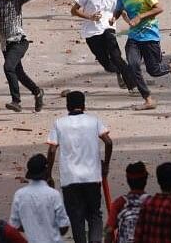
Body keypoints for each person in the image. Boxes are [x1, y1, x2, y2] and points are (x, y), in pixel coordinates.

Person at [46, 91, 113, 243]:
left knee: (76, 217)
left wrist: (49, 174)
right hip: (92, 176)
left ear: (67, 106)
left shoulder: (59, 123)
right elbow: (108, 142)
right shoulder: (94, 121)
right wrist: (106, 164)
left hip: (69, 178)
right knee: (95, 214)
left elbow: (51, 150)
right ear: (84, 105)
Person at [112, 0, 171, 110]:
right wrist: (113, 18)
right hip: (134, 38)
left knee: (153, 70)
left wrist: (140, 16)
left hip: (150, 36)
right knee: (133, 65)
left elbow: (159, 8)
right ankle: (148, 99)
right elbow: (119, 9)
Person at [71, 0, 138, 93]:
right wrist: (90, 17)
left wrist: (131, 22)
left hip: (108, 28)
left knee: (117, 56)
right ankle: (121, 72)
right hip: (92, 32)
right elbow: (74, 11)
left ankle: (133, 86)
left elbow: (122, 12)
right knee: (107, 65)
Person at [9, 154, 70, 243]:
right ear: (46, 171)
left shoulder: (19, 195)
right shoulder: (54, 195)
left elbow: (14, 225)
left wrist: (30, 226)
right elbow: (64, 226)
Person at [104, 162, 150, 243]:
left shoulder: (120, 203)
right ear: (145, 180)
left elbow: (109, 231)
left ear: (128, 181)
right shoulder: (153, 203)